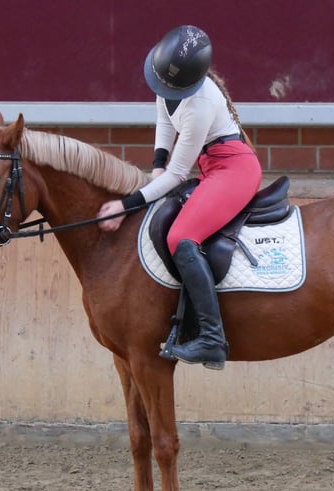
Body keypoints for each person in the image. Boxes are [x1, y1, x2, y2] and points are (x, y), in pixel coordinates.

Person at [97, 24, 262, 370]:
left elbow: (178, 174)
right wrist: (156, 163)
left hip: (233, 170)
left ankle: (212, 339)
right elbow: (164, 115)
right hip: (209, 166)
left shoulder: (199, 105)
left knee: (181, 237)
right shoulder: (170, 80)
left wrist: (126, 204)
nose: (163, 88)